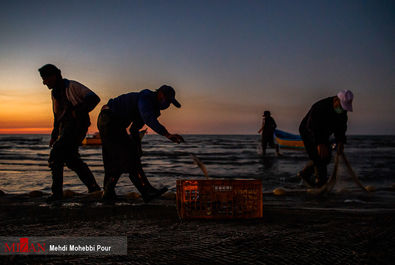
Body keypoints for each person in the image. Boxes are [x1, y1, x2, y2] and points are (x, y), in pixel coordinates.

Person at [97, 85, 184, 202]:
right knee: (128, 158)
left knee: (121, 158)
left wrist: (138, 147)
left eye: (170, 103)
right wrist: (167, 134)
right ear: (160, 94)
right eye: (167, 101)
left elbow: (134, 129)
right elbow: (148, 118)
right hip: (109, 119)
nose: (167, 105)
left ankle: (108, 194)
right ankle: (146, 191)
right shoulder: (146, 97)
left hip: (115, 124)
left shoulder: (151, 108)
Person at [38, 64, 101, 202]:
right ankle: (94, 188)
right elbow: (57, 116)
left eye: (45, 78)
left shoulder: (71, 85)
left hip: (78, 126)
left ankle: (57, 194)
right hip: (65, 128)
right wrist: (54, 134)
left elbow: (94, 98)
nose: (43, 82)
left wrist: (77, 111)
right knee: (72, 160)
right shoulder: (54, 93)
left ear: (54, 76)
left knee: (56, 155)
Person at [298, 90, 353, 188]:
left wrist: (340, 141)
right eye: (341, 106)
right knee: (319, 157)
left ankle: (305, 174)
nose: (342, 109)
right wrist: (320, 143)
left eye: (344, 108)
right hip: (308, 131)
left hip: (324, 134)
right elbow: (313, 126)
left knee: (326, 158)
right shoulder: (320, 107)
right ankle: (321, 185)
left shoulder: (342, 113)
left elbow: (341, 127)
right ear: (336, 100)